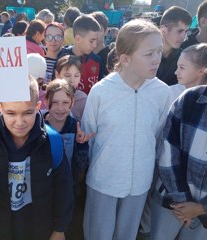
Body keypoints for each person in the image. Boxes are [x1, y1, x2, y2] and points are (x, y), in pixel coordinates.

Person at [81, 19, 170, 240]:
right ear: (125, 58)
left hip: (140, 182)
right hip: (103, 180)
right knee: (98, 234)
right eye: (149, 53)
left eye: (159, 51)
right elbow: (89, 135)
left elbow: (158, 136)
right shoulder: (101, 91)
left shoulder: (162, 92)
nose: (157, 59)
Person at [0, 76, 74, 240]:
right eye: (11, 113)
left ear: (38, 106)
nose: (19, 122)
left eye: (28, 112)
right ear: (0, 107)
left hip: (40, 229)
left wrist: (59, 229)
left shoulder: (53, 140)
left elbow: (63, 189)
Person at [150, 43, 207, 240]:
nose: (176, 72)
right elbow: (168, 153)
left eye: (182, 67)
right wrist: (183, 203)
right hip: (171, 200)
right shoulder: (188, 99)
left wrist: (201, 208)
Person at [43, 79, 92, 240]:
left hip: (68, 188)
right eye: (55, 102)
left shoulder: (75, 127)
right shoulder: (39, 125)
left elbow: (81, 166)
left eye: (65, 102)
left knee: (65, 227)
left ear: (72, 103)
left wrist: (82, 145)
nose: (60, 108)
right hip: (42, 188)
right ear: (46, 101)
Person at [58, 15, 103, 95]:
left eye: (96, 41)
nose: (95, 45)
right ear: (78, 38)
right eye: (91, 41)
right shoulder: (62, 59)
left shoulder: (97, 60)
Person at [157, 6, 192, 86]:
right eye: (179, 31)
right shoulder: (143, 51)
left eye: (186, 32)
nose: (183, 37)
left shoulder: (183, 58)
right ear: (164, 30)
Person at [55, 55, 86, 121]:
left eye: (76, 76)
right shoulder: (49, 96)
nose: (72, 80)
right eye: (67, 75)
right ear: (57, 75)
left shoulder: (83, 99)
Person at [91, 11, 110, 76]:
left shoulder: (111, 57)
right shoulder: (82, 55)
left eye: (99, 29)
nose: (95, 33)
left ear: (106, 31)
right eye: (92, 29)